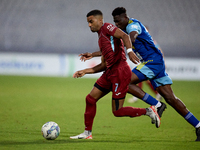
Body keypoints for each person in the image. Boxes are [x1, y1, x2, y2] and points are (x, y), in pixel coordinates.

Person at [111, 7, 200, 141]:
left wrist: (128, 47)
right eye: (114, 22)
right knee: (171, 99)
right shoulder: (123, 30)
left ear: (125, 17)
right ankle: (198, 125)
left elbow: (133, 36)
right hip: (155, 62)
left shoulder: (132, 25)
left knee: (125, 82)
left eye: (118, 21)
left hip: (152, 61)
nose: (116, 24)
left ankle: (157, 105)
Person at [70, 10, 161, 139]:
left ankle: (149, 111)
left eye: (91, 21)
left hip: (119, 72)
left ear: (100, 21)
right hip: (110, 72)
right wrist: (85, 70)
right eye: (88, 23)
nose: (89, 25)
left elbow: (124, 36)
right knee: (90, 99)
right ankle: (87, 133)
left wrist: (129, 51)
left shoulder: (106, 27)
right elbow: (104, 63)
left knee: (117, 111)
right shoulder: (101, 37)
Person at [128, 26, 163, 103]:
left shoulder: (151, 41)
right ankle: (157, 94)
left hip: (150, 63)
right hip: (143, 63)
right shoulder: (140, 41)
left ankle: (137, 97)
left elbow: (159, 51)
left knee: (139, 79)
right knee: (141, 79)